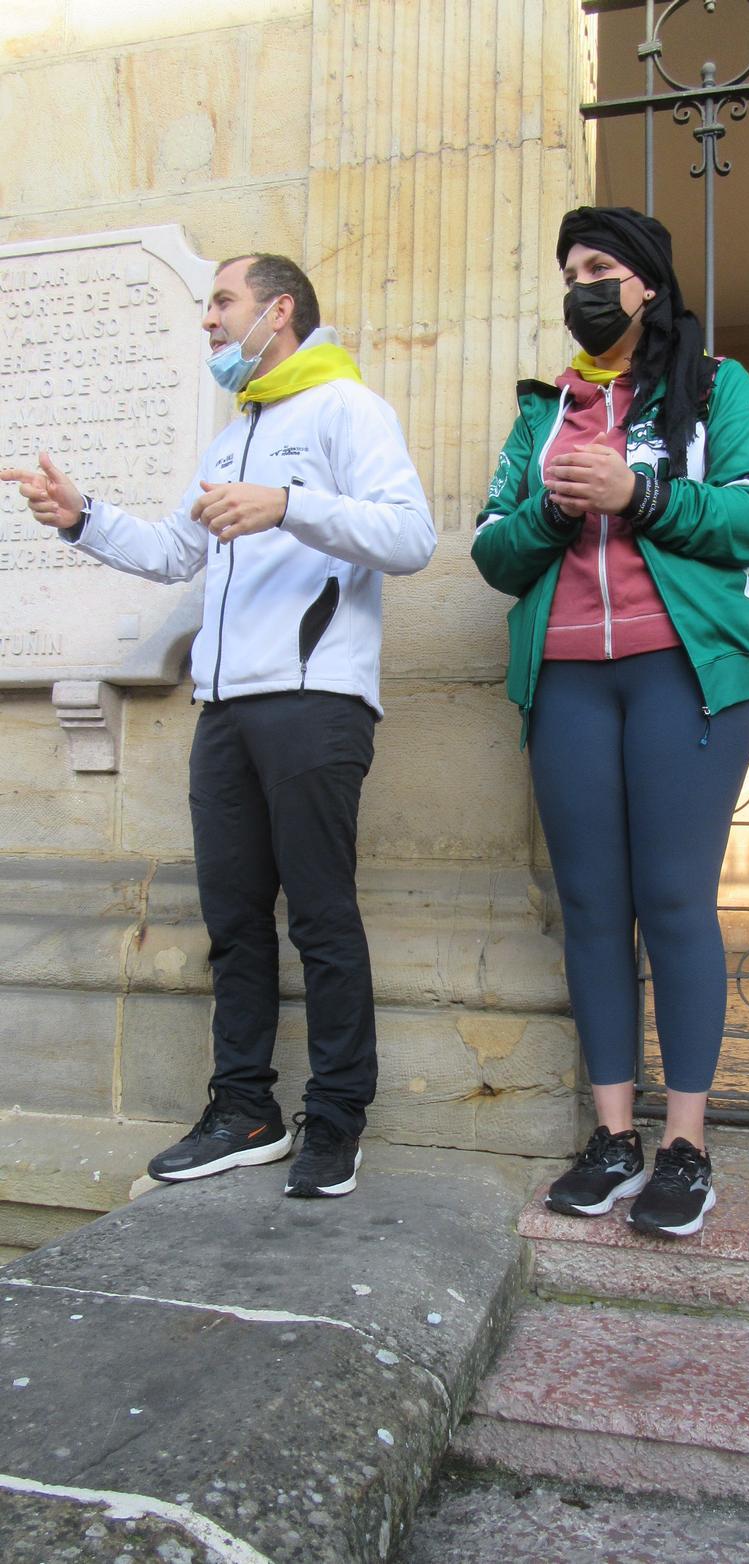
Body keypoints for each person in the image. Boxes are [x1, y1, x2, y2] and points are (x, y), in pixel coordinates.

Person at [2, 253, 436, 1198]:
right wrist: (83, 519)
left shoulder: (346, 409)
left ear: (277, 311)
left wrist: (292, 505)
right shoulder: (235, 431)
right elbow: (174, 552)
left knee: (321, 917)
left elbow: (411, 537)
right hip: (225, 709)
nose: (208, 321)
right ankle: (244, 1108)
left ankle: (336, 1121)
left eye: (221, 302)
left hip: (315, 700)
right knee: (235, 922)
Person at [471, 206, 749, 1238]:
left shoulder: (714, 389)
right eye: (570, 268)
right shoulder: (539, 414)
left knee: (674, 899)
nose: (582, 282)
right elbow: (492, 550)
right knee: (594, 906)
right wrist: (557, 511)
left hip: (681, 674)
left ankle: (684, 1144)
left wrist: (637, 491)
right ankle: (612, 1136)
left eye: (600, 265)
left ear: (645, 283)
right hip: (565, 678)